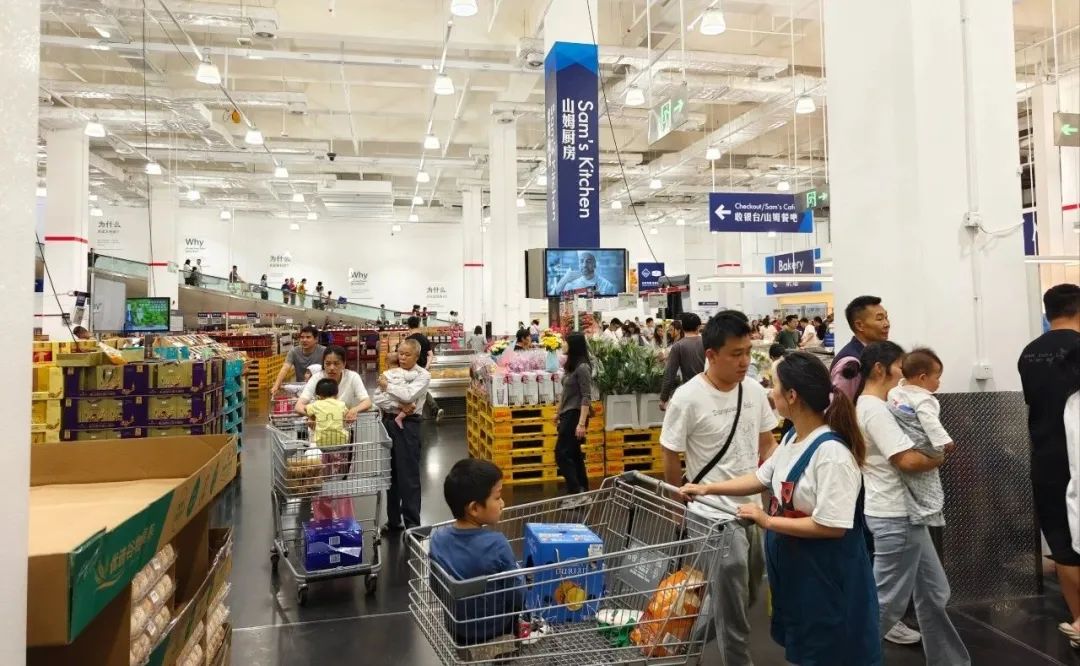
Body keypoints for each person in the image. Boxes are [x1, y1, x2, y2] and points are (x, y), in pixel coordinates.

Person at [681, 351, 880, 666]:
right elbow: (761, 478)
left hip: (829, 582)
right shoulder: (791, 439)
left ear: (792, 395)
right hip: (801, 579)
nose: (770, 393)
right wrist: (706, 488)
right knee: (807, 652)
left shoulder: (831, 454)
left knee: (833, 653)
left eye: (773, 385)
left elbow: (832, 525)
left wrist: (767, 521)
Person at [660, 312, 778, 666]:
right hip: (710, 514)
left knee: (746, 594)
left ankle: (682, 640)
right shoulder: (687, 397)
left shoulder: (753, 391)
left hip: (752, 509)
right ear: (711, 355)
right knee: (733, 595)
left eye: (748, 352)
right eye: (736, 354)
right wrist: (676, 502)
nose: (745, 361)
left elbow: (767, 444)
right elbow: (670, 452)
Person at [857, 341, 968, 660]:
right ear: (880, 369)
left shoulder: (884, 405)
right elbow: (907, 460)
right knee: (886, 604)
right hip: (897, 515)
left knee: (934, 592)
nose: (903, 372)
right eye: (899, 366)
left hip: (906, 514)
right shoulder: (875, 410)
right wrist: (939, 455)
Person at [1018, 283, 1080, 645]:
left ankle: (1078, 619)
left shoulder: (1028, 353)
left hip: (1046, 458)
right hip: (1076, 455)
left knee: (1061, 542)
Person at [429, 458, 522, 645]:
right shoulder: (497, 545)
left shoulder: (437, 539)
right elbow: (517, 596)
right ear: (474, 508)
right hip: (496, 630)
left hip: (458, 630)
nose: (503, 503)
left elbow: (436, 587)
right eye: (497, 497)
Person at [887, 348, 954, 526]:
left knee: (914, 482)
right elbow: (930, 423)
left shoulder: (895, 392)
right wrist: (945, 441)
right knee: (929, 482)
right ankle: (930, 512)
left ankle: (919, 510)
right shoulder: (924, 400)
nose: (939, 383)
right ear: (923, 378)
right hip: (923, 444)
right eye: (937, 378)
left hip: (906, 443)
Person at [373, 338, 431, 534]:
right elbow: (377, 398)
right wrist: (398, 405)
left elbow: (409, 395)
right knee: (391, 473)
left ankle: (413, 523)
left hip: (409, 425)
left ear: (417, 356)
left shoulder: (423, 375)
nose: (403, 357)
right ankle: (393, 521)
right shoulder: (390, 373)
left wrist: (388, 388)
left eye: (407, 354)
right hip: (388, 422)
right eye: (400, 353)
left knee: (408, 474)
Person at [831, 295, 890, 400]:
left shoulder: (875, 354)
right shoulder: (850, 362)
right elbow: (840, 406)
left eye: (886, 317)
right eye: (879, 319)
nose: (886, 324)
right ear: (859, 325)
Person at [555, 333, 593, 497]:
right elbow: (566, 393)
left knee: (561, 453)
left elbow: (586, 396)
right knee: (574, 453)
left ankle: (574, 490)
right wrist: (558, 412)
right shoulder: (572, 366)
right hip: (567, 414)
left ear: (574, 345)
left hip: (576, 415)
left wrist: (581, 423)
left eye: (566, 342)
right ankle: (582, 490)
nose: (563, 344)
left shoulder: (583, 367)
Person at [295, 345, 371, 420]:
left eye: (336, 363)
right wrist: (313, 416)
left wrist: (354, 410)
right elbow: (299, 406)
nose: (331, 368)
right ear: (323, 364)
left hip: (345, 426)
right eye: (327, 364)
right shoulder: (316, 378)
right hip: (320, 426)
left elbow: (367, 402)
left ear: (344, 364)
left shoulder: (352, 377)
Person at [658, 313, 705, 411]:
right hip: (708, 391)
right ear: (698, 327)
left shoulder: (678, 346)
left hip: (689, 392)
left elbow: (670, 374)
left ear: (682, 327)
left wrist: (663, 398)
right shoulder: (707, 342)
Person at [405, 315, 444, 421]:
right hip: (422, 368)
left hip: (411, 369)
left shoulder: (408, 340)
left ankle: (419, 413)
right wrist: (426, 367)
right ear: (418, 325)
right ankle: (432, 410)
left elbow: (405, 356)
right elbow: (430, 355)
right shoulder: (424, 338)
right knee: (420, 390)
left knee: (415, 390)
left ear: (408, 326)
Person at [272, 325, 326, 395]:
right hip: (301, 387)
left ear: (316, 339)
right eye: (302, 337)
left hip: (320, 387)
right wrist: (276, 385)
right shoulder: (294, 352)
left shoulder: (324, 351)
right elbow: (285, 368)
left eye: (308, 337)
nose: (304, 340)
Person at [378, 351, 419, 430]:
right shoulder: (404, 372)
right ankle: (400, 416)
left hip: (392, 402)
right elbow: (415, 375)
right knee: (412, 405)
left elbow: (379, 396)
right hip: (404, 398)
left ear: (387, 362)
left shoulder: (384, 374)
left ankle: (399, 416)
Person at [305, 377, 347, 447]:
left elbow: (305, 408)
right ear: (336, 394)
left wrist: (312, 417)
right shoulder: (341, 404)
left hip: (320, 442)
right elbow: (346, 414)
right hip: (341, 441)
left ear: (319, 395)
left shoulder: (316, 404)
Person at [553, 250, 617, 294]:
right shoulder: (570, 285)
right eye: (581, 261)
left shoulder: (607, 286)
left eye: (588, 261)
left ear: (595, 264)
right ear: (579, 264)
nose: (584, 265)